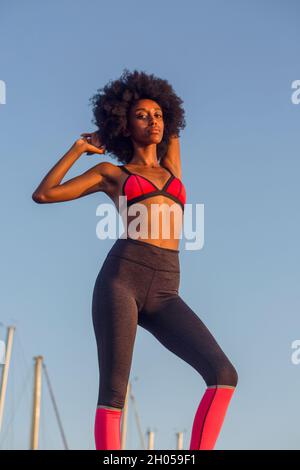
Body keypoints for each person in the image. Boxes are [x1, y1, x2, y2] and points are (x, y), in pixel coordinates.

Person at [32, 69, 238, 450]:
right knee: (113, 393)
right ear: (124, 125)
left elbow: (173, 112)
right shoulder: (111, 173)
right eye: (142, 115)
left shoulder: (172, 167)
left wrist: (163, 104)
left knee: (223, 373)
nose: (153, 121)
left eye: (159, 115)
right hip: (121, 280)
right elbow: (44, 195)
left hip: (166, 289)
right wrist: (78, 149)